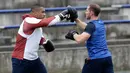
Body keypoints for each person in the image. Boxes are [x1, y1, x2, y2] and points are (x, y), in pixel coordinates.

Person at [11, 5, 76, 73]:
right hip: (21, 60)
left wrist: (44, 42)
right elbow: (46, 22)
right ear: (34, 12)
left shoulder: (37, 25)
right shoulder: (28, 20)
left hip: (34, 60)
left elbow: (37, 38)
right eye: (42, 12)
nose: (44, 14)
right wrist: (64, 14)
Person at [65, 4, 114, 73]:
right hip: (107, 58)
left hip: (96, 60)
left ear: (91, 13)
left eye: (87, 10)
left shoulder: (91, 26)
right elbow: (87, 27)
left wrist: (73, 34)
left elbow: (79, 40)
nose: (85, 12)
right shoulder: (100, 23)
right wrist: (75, 19)